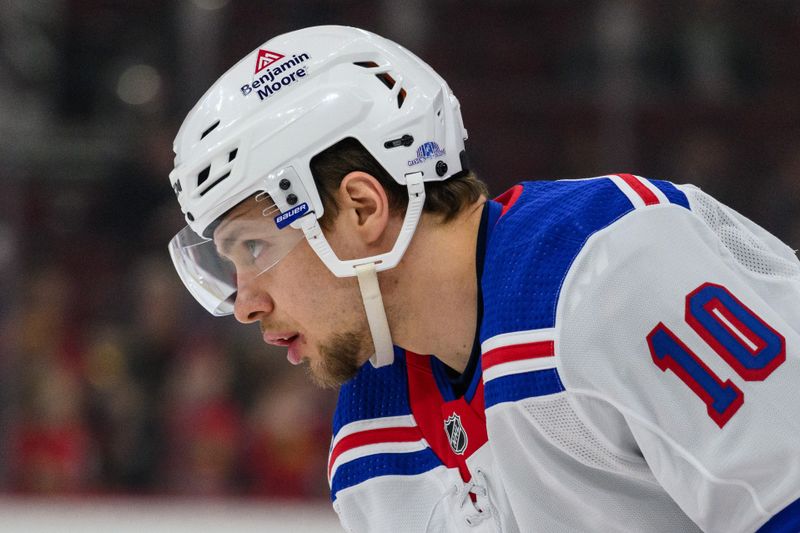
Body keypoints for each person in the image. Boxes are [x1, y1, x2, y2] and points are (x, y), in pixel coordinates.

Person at [167, 25, 800, 532]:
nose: (245, 303)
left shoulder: (609, 264)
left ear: (362, 208)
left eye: (252, 247)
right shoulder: (366, 432)